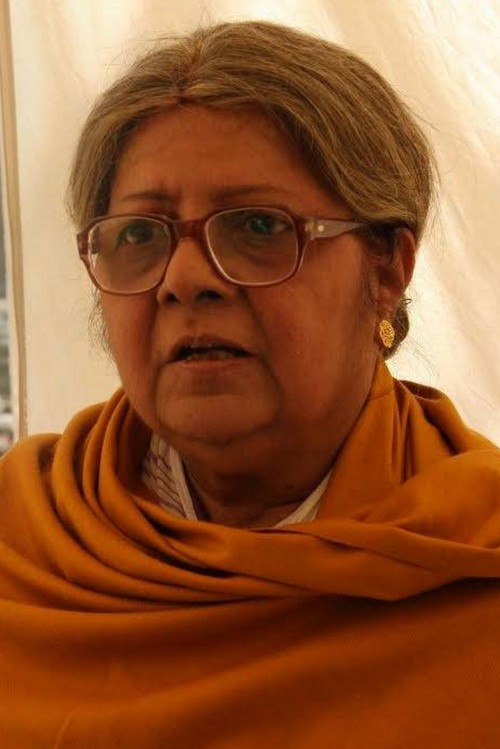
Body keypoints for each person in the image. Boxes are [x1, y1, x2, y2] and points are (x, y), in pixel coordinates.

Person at [1, 19, 499, 749]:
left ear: (388, 270)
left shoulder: (471, 564)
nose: (184, 279)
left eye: (259, 227)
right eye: (138, 235)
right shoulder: (26, 541)